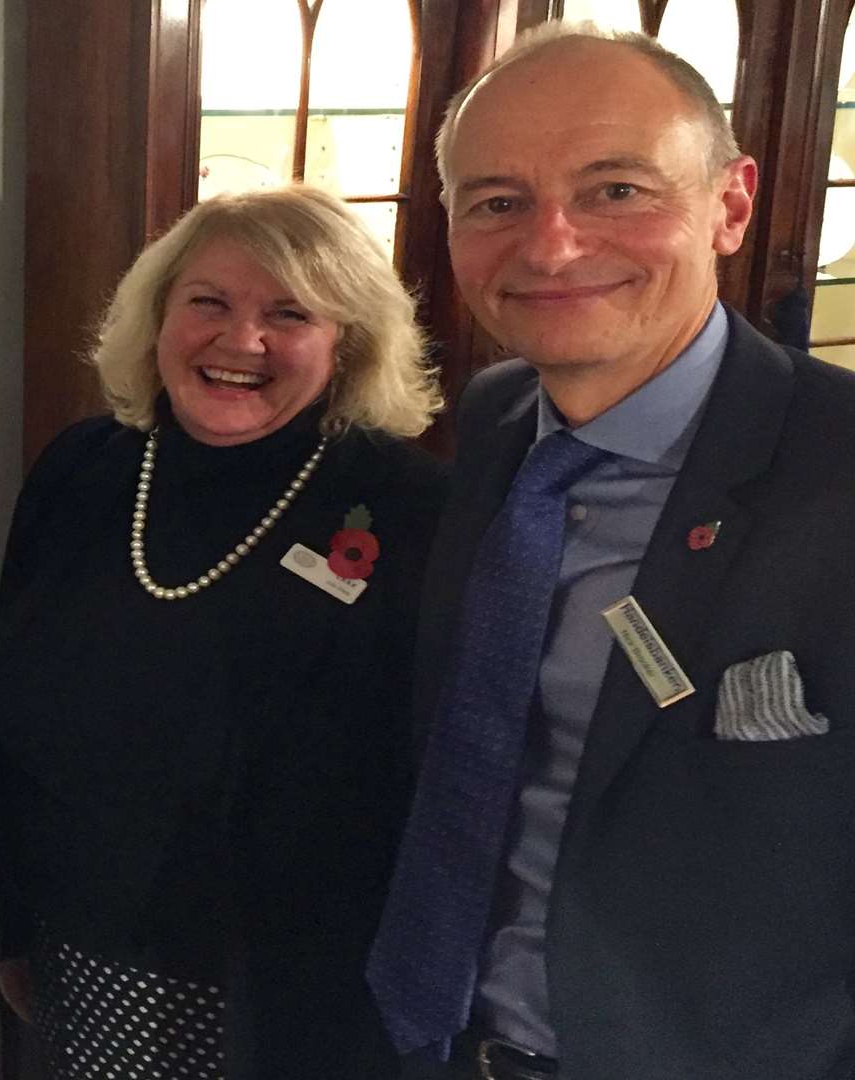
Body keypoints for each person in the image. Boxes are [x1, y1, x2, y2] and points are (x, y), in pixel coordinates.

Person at [365, 23, 855, 1080]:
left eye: (616, 190)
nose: (550, 246)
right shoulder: (496, 422)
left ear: (730, 204)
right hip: (445, 1043)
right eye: (496, 201)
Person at [0, 185, 447, 1079]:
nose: (240, 341)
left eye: (290, 313)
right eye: (209, 302)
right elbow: (1, 702)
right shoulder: (83, 469)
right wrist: (7, 920)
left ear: (348, 343)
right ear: (158, 317)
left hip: (291, 996)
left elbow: (432, 780)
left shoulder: (412, 508)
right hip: (77, 953)